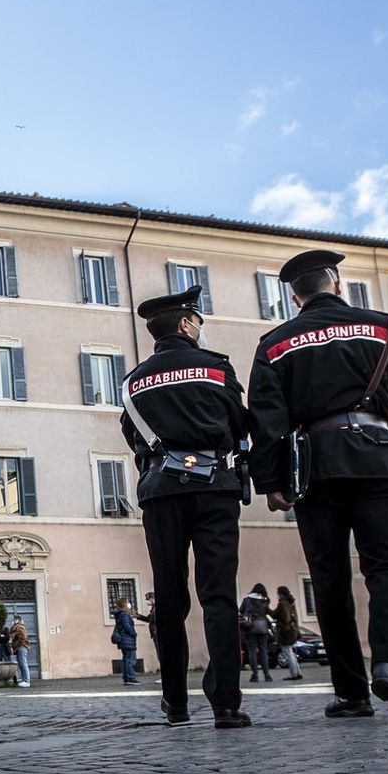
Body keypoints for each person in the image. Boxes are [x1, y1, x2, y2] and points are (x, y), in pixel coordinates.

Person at [248, 249, 388, 720]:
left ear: (294, 296)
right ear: (338, 284)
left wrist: (271, 481)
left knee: (329, 579)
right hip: (377, 454)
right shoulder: (383, 325)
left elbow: (267, 419)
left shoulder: (274, 343)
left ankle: (351, 691)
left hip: (315, 465)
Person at [120, 284, 250, 728]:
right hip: (215, 485)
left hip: (160, 489)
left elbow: (133, 437)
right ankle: (226, 704)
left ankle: (175, 701)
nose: (200, 326)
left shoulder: (133, 381)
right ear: (185, 324)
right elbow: (238, 423)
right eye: (198, 320)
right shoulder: (216, 368)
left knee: (170, 597)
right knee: (219, 595)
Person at [240, 584, 275, 683]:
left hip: (250, 627)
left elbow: (241, 611)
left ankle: (255, 675)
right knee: (263, 651)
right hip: (263, 627)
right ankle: (267, 674)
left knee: (252, 651)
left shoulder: (247, 600)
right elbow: (268, 612)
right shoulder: (265, 600)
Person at [274, 585, 303, 680]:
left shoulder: (282, 603)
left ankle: (294, 674)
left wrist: (266, 609)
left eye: (278, 593)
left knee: (288, 652)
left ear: (281, 594)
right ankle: (297, 672)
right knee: (291, 652)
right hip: (292, 630)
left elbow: (276, 615)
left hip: (285, 632)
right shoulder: (291, 602)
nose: (277, 595)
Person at [113, 599, 140, 686]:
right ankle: (130, 677)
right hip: (127, 640)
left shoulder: (120, 615)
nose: (129, 604)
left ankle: (127, 677)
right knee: (130, 659)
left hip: (124, 640)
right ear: (124, 604)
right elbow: (127, 626)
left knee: (126, 659)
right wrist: (134, 633)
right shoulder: (124, 615)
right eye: (127, 602)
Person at [9, 616, 32, 688]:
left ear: (17, 620)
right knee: (21, 664)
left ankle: (26, 681)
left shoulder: (19, 627)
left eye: (13, 620)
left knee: (23, 664)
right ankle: (24, 680)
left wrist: (16, 645)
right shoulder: (16, 628)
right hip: (20, 647)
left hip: (22, 647)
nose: (12, 622)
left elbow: (22, 637)